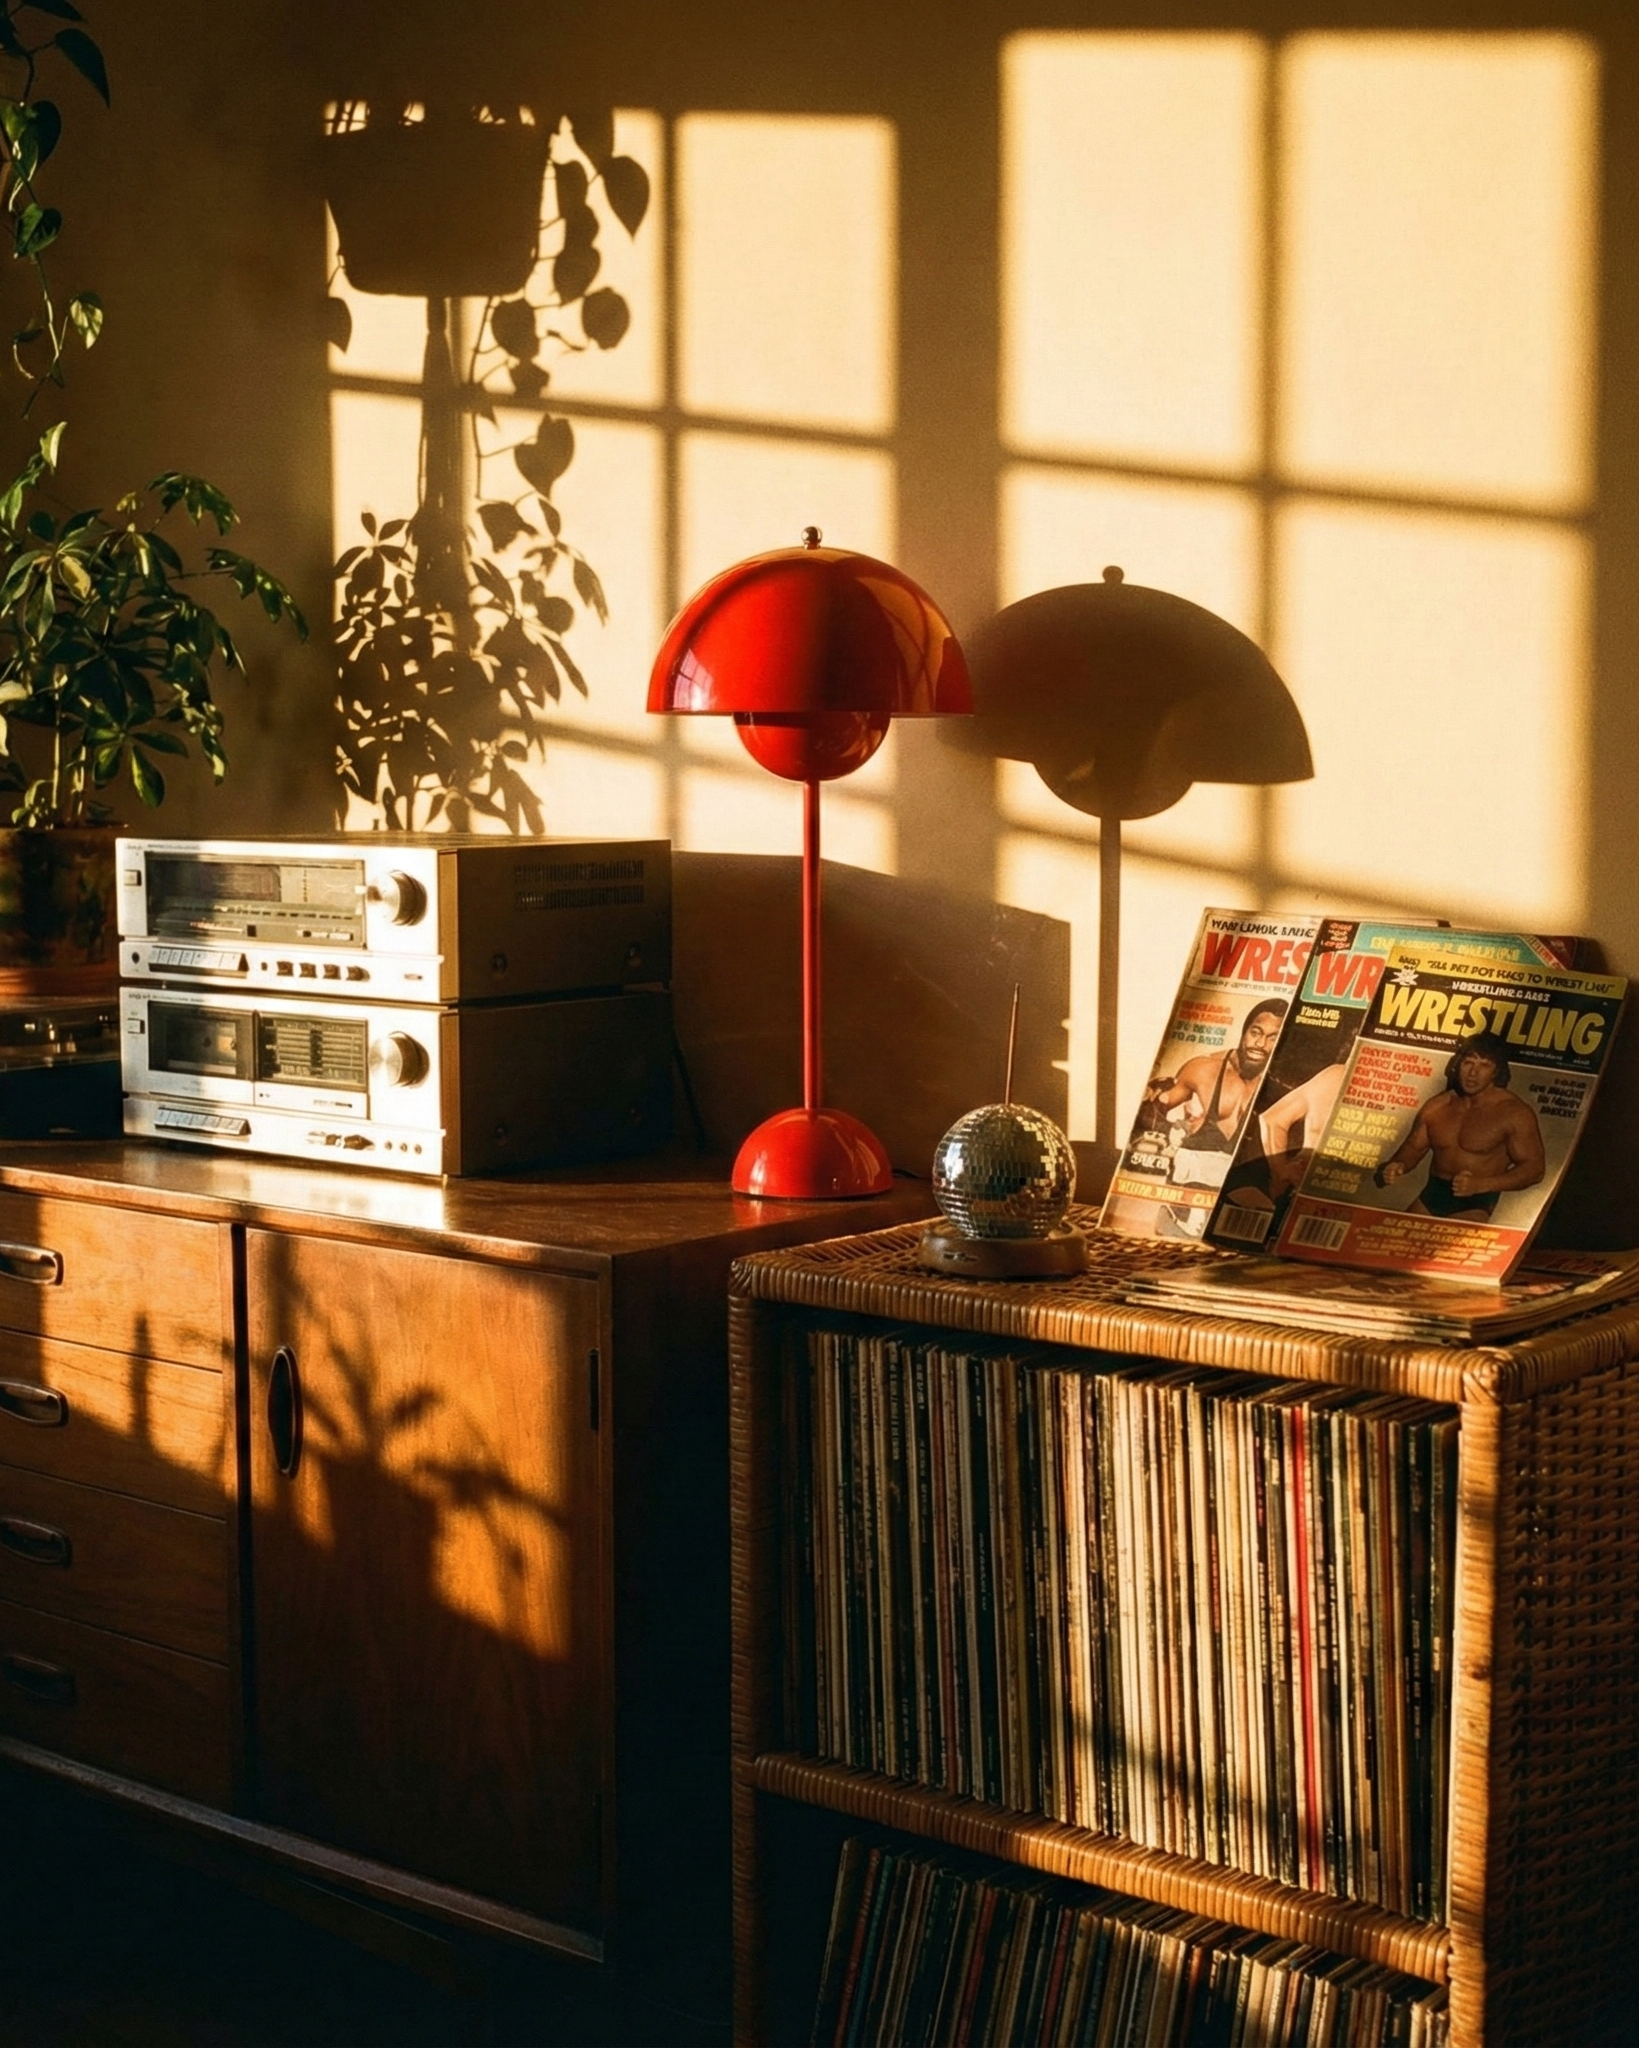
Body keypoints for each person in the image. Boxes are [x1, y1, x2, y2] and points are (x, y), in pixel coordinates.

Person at [1373, 1031, 1545, 1219]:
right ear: (1458, 1065)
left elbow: (1534, 1170)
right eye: (1468, 1063)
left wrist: (1481, 1184)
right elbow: (1414, 1148)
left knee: (1453, 1246)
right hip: (1434, 1193)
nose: (1473, 1073)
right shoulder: (1438, 1106)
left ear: (1497, 1071)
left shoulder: (1514, 1113)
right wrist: (1398, 1165)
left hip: (1477, 1199)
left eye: (1484, 1065)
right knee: (1393, 1242)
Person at [1139, 998, 1288, 1189]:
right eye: (1255, 1033)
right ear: (1245, 1031)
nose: (1259, 1043)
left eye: (1273, 1038)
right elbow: (1150, 1113)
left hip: (1236, 1190)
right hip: (1184, 1189)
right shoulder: (1203, 1069)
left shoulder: (1280, 1087)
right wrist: (1173, 1134)